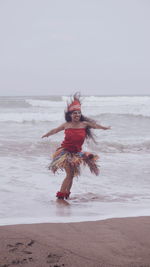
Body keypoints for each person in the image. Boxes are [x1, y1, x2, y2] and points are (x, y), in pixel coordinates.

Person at [42, 94, 111, 200]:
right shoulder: (66, 124)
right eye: (75, 113)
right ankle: (60, 196)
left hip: (76, 154)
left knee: (72, 175)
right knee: (69, 174)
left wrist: (105, 128)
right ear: (70, 115)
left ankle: (66, 195)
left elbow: (95, 126)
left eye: (79, 113)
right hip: (65, 153)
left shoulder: (84, 124)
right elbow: (54, 130)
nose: (77, 115)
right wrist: (47, 134)